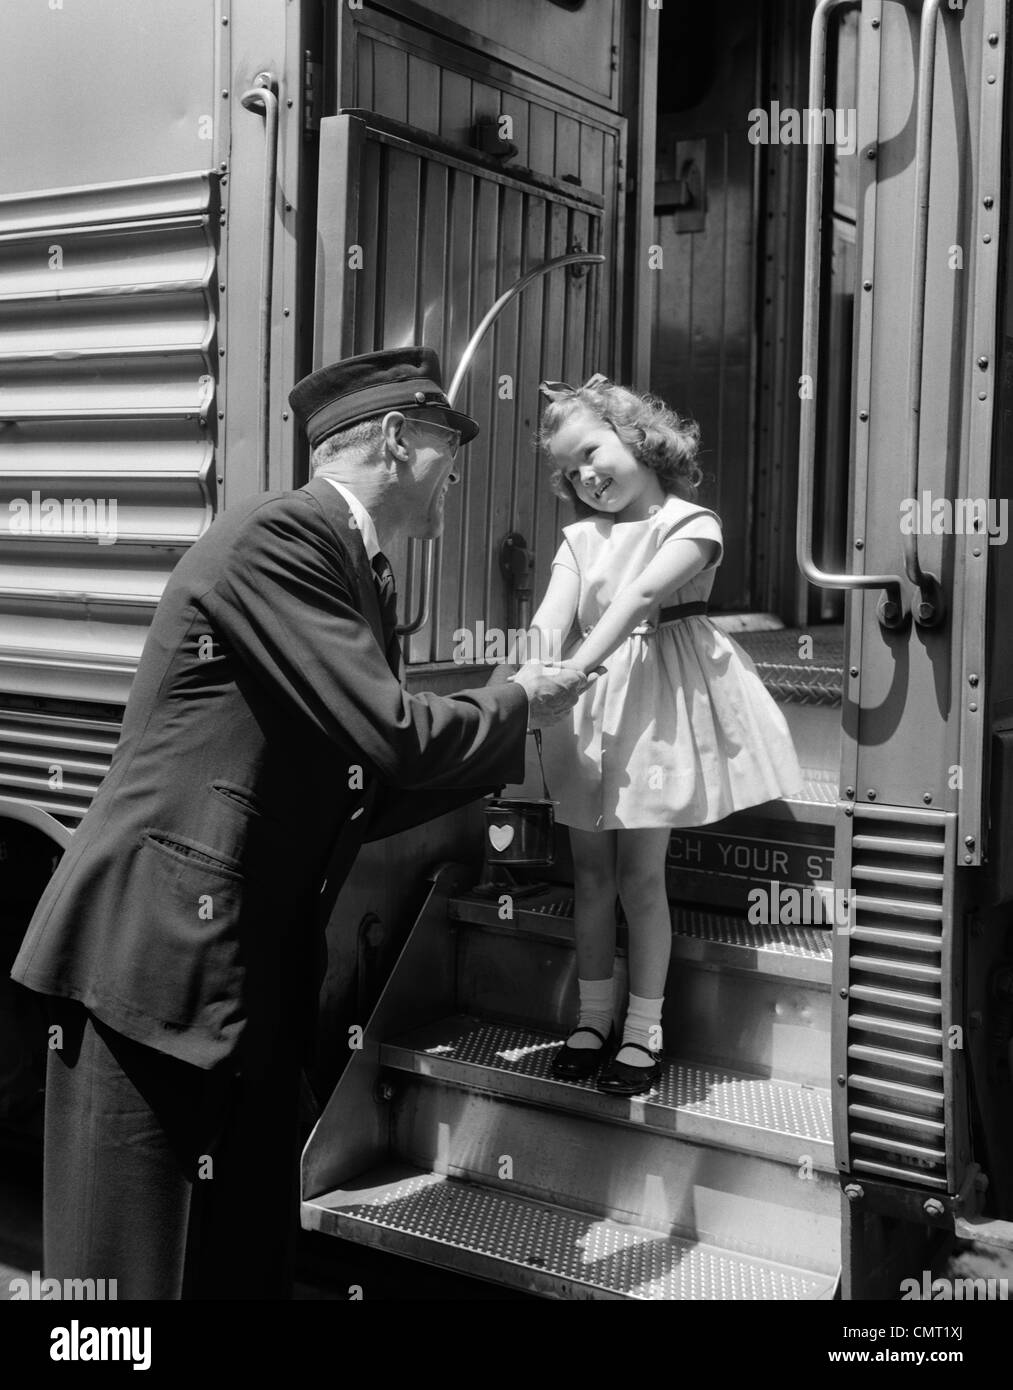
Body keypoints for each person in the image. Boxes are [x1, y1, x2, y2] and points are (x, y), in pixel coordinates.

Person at [10, 346, 585, 1298]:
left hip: (250, 974)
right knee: (123, 1273)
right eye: (453, 445)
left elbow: (364, 779)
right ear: (399, 440)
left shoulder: (359, 571)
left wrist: (519, 743)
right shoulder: (280, 541)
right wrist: (517, 699)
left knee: (240, 1251)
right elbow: (392, 735)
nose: (458, 474)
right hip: (153, 963)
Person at [521, 374, 802, 1097]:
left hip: (652, 704)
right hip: (588, 708)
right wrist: (534, 672)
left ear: (639, 438)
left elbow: (645, 596)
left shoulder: (690, 523)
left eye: (591, 451)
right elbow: (553, 613)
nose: (584, 474)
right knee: (590, 875)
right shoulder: (579, 538)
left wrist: (575, 670)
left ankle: (643, 1028)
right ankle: (591, 1019)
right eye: (569, 469)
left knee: (640, 878)